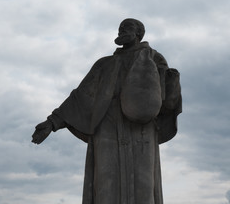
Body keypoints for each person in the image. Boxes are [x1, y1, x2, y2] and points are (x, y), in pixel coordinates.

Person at [32, 18, 182, 204]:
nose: (121, 31)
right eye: (120, 28)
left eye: (127, 28)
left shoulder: (154, 59)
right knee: (105, 185)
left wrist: (172, 83)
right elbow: (80, 97)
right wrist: (52, 123)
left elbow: (166, 102)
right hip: (107, 126)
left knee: (143, 187)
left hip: (141, 130)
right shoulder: (104, 64)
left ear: (138, 34)